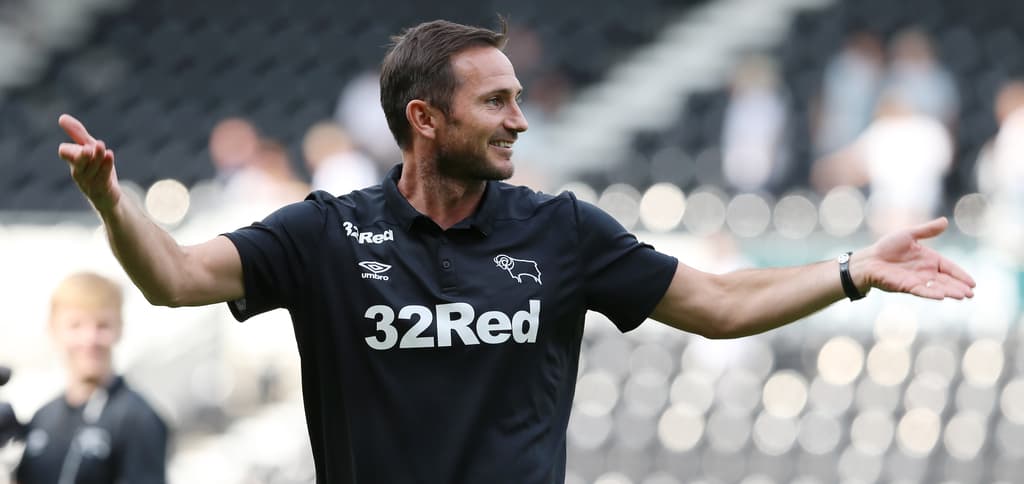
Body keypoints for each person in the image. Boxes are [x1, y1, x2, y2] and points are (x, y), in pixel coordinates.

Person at [55, 19, 975, 484]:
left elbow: (721, 305)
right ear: (425, 118)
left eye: (518, 98)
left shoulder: (562, 229)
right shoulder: (325, 232)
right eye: (495, 102)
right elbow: (175, 279)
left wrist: (853, 271)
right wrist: (110, 202)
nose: (520, 120)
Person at [13, 272, 168, 484]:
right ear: (53, 330)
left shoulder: (137, 418)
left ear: (119, 329)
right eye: (76, 325)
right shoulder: (43, 417)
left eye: (102, 325)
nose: (90, 339)